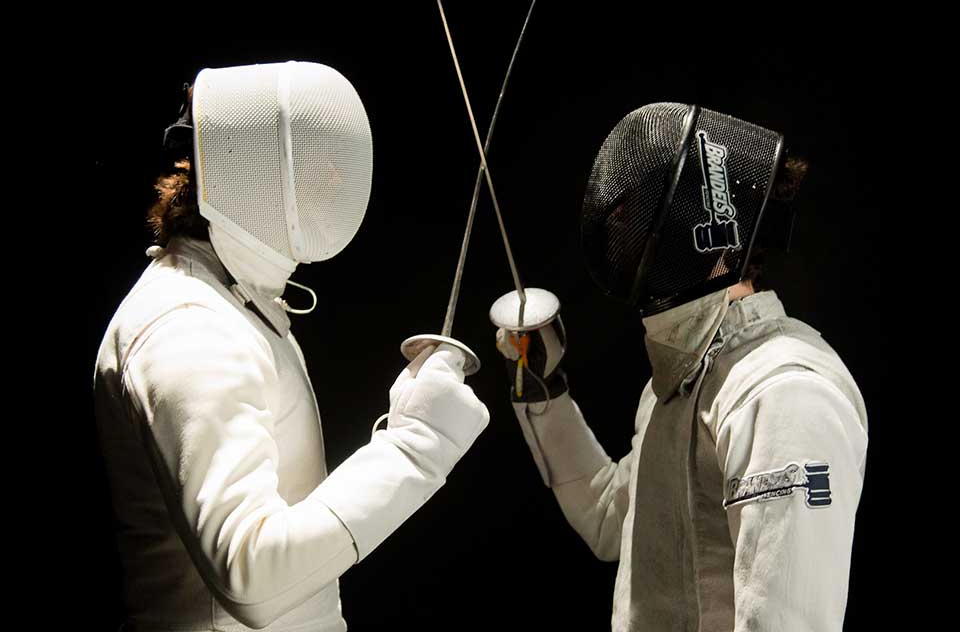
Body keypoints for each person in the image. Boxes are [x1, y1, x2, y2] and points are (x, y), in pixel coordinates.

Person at [93, 61, 489, 632]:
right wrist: (415, 448)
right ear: (252, 174)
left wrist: (401, 428)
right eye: (315, 168)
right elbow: (252, 577)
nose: (333, 185)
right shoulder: (189, 328)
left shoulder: (230, 301)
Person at [492, 103, 868, 631]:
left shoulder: (779, 391)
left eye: (635, 212)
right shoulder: (681, 383)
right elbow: (608, 518)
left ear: (700, 226)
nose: (617, 224)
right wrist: (544, 391)